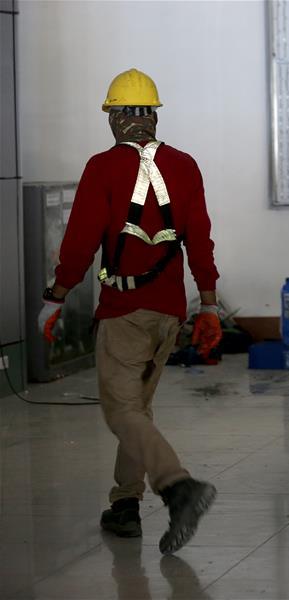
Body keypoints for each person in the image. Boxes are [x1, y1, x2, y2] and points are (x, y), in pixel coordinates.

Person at [36, 68, 221, 554]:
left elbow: (78, 244)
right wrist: (210, 305)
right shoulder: (185, 165)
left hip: (124, 312)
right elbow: (200, 241)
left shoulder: (103, 167)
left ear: (116, 118)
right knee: (136, 411)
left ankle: (178, 487)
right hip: (168, 313)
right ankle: (124, 505)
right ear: (153, 117)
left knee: (122, 411)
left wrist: (56, 296)